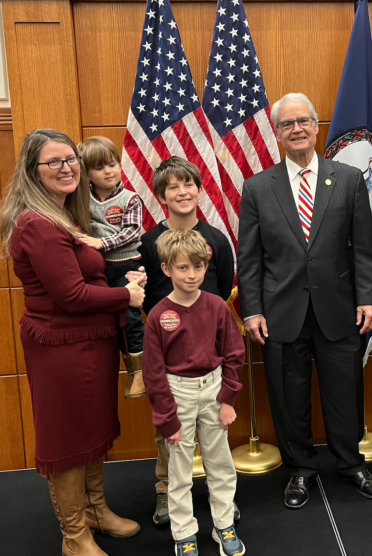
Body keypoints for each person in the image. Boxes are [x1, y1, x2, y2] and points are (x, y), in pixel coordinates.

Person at [0, 129, 145, 556]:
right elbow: (72, 295)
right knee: (68, 440)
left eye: (71, 160)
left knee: (93, 429)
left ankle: (96, 510)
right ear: (33, 171)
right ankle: (75, 534)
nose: (67, 168)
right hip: (60, 347)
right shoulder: (37, 224)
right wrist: (126, 296)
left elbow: (92, 275)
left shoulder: (67, 214)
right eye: (54, 162)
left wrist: (124, 281)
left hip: (92, 341)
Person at [237, 92, 372, 509]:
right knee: (288, 396)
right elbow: (249, 256)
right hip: (281, 311)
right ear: (277, 132)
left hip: (340, 309)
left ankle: (351, 464)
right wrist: (251, 309)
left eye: (303, 121)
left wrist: (369, 298)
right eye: (288, 124)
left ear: (316, 126)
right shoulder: (257, 187)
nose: (297, 129)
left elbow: (365, 249)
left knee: (345, 391)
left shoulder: (350, 179)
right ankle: (300, 469)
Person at [137, 157, 237, 526]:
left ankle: (220, 502)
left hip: (208, 356)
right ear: (161, 196)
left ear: (199, 189)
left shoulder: (215, 240)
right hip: (169, 353)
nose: (182, 192)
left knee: (214, 436)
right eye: (173, 187)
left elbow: (223, 286)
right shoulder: (150, 242)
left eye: (188, 185)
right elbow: (147, 298)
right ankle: (166, 491)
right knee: (171, 432)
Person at [143, 229, 245, 556]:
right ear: (167, 269)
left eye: (198, 267)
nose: (192, 274)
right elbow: (154, 373)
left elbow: (234, 355)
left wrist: (228, 400)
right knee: (180, 469)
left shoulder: (216, 306)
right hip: (178, 393)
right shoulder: (159, 315)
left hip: (214, 389)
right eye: (183, 268)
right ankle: (184, 534)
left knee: (221, 465)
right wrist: (167, 418)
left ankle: (224, 525)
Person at [76, 136, 147, 400]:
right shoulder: (81, 200)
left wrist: (101, 242)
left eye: (113, 164)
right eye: (99, 167)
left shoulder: (131, 199)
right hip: (99, 269)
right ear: (86, 173)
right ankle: (119, 371)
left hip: (128, 266)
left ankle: (138, 373)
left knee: (129, 318)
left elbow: (131, 232)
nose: (109, 171)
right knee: (106, 321)